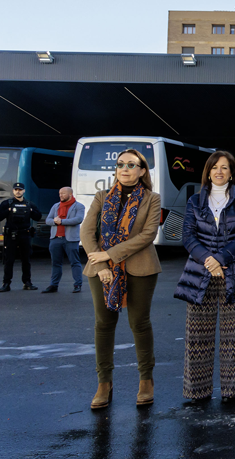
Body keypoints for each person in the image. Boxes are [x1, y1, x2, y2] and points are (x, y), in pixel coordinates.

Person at [80, 149, 162, 410]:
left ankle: (146, 381)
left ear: (142, 170)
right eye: (120, 164)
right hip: (101, 269)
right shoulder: (102, 197)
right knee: (104, 324)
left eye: (131, 164)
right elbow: (87, 231)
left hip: (141, 267)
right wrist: (103, 263)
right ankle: (104, 383)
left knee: (139, 323)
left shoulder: (152, 199)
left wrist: (110, 253)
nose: (124, 168)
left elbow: (147, 235)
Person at [174, 151, 235, 401]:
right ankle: (197, 390)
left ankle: (234, 390)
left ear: (232, 173)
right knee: (197, 337)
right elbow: (187, 236)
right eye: (214, 167)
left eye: (225, 167)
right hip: (199, 275)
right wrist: (209, 261)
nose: (219, 171)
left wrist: (220, 259)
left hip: (233, 275)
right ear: (208, 172)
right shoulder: (194, 202)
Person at [0, 183, 41, 292]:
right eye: (16, 189)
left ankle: (27, 282)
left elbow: (38, 217)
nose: (18, 191)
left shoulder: (29, 204)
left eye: (20, 190)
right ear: (13, 191)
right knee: (9, 260)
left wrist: (31, 211)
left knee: (26, 260)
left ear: (24, 191)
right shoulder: (7, 203)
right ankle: (6, 283)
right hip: (11, 235)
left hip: (25, 234)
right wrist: (8, 211)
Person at [43, 187, 85, 293]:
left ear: (70, 194)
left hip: (70, 239)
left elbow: (78, 219)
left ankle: (77, 284)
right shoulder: (55, 206)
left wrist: (61, 221)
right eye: (59, 193)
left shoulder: (79, 206)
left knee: (74, 262)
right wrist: (54, 221)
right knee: (56, 263)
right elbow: (48, 220)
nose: (60, 195)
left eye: (63, 193)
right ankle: (53, 285)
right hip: (55, 239)